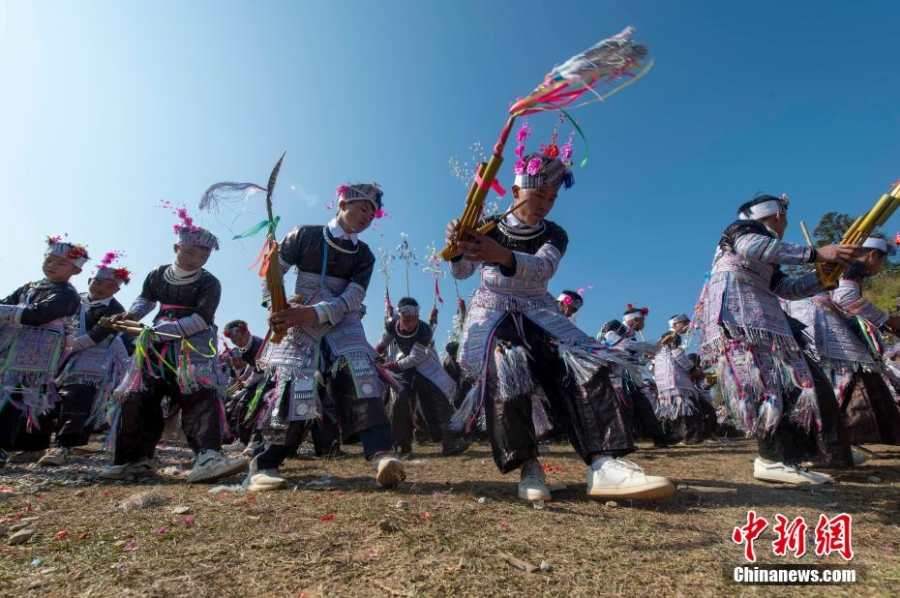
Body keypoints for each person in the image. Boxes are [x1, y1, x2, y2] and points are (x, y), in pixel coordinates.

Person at [447, 148, 674, 502]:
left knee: (584, 363)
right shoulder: (487, 224)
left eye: (551, 198)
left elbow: (543, 270)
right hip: (494, 313)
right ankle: (529, 468)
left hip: (539, 308)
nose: (545, 205)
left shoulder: (555, 233)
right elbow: (462, 272)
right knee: (509, 373)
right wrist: (458, 246)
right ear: (516, 191)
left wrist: (501, 255)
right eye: (538, 195)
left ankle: (604, 463)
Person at [244, 183, 405, 491]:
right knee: (295, 381)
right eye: (363, 209)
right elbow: (271, 275)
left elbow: (353, 298)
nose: (368, 217)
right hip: (297, 319)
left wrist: (312, 313)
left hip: (342, 321)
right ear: (342, 202)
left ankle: (382, 455)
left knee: (359, 370)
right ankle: (264, 463)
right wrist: (276, 305)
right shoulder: (303, 235)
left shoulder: (365, 255)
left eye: (373, 214)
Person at [694, 193, 858, 484]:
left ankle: (792, 455)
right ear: (780, 216)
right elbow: (754, 248)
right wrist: (818, 254)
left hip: (764, 316)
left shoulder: (767, 251)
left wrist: (823, 277)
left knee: (791, 382)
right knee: (766, 383)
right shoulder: (744, 231)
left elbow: (787, 288)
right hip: (740, 313)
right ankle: (771, 459)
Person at [101, 206, 247, 483]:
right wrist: (132, 316)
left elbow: (202, 318)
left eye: (204, 254)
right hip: (154, 346)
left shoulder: (209, 282)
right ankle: (135, 459)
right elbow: (146, 300)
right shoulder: (157, 274)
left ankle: (207, 457)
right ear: (176, 247)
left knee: (199, 394)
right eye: (191, 251)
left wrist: (160, 332)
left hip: (193, 347)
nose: (197, 258)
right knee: (139, 395)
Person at [38, 253, 131, 466]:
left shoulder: (116, 311)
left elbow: (97, 335)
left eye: (109, 286)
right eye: (98, 281)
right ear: (90, 280)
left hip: (92, 362)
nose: (101, 288)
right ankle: (34, 445)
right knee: (45, 396)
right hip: (56, 358)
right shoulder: (72, 299)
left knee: (78, 399)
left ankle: (63, 446)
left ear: (116, 290)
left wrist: (65, 347)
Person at [0, 236, 85, 467]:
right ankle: (25, 446)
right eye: (49, 260)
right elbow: (8, 302)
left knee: (17, 396)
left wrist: (6, 311)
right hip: (11, 347)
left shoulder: (68, 294)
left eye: (61, 263)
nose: (52, 266)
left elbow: (39, 314)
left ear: (75, 270)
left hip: (38, 352)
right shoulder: (30, 287)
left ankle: (4, 446)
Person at [825, 237, 900, 445]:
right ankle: (858, 432)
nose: (880, 267)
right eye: (881, 262)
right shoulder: (854, 266)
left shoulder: (842, 266)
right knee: (859, 374)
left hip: (827, 326)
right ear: (872, 255)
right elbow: (846, 298)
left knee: (862, 375)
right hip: (826, 326)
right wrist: (888, 319)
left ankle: (865, 433)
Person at [375, 297, 469, 457]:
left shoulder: (424, 330)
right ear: (400, 317)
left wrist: (389, 366)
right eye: (406, 319)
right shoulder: (392, 325)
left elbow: (414, 358)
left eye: (414, 319)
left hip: (423, 364)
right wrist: (374, 354)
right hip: (401, 364)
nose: (411, 323)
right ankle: (402, 445)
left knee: (439, 400)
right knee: (399, 399)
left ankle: (449, 442)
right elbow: (383, 342)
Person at [652, 314, 708, 444]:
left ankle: (678, 437)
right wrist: (694, 370)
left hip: (665, 385)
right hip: (677, 382)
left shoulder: (661, 346)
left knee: (675, 412)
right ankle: (690, 438)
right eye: (685, 323)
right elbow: (677, 355)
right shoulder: (672, 338)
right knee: (687, 411)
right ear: (675, 325)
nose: (688, 325)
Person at [221, 319, 267, 456]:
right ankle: (242, 441)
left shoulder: (259, 344)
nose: (238, 343)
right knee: (241, 407)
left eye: (240, 339)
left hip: (267, 380)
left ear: (248, 334)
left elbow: (259, 371)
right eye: (234, 341)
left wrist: (245, 383)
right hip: (257, 379)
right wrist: (245, 377)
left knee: (256, 408)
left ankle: (255, 442)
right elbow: (251, 365)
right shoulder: (245, 347)